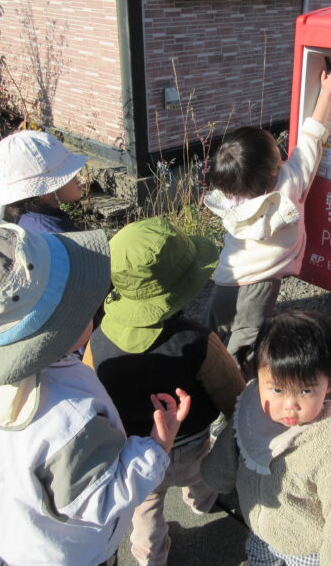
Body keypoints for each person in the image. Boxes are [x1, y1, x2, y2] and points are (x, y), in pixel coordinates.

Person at [0, 223, 190, 566]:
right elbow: (104, 498)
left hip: (22, 536)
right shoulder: (72, 420)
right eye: (84, 301)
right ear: (57, 331)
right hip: (78, 553)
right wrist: (156, 447)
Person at [83, 216, 246, 566]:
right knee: (203, 477)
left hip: (135, 453)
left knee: (145, 510)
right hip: (192, 445)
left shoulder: (97, 342)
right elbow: (232, 393)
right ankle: (202, 502)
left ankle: (150, 556)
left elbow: (89, 397)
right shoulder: (199, 340)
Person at [202, 64, 331, 371]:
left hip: (227, 277)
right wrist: (326, 94)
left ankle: (207, 375)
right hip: (261, 283)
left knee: (213, 336)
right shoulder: (289, 183)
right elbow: (312, 139)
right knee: (247, 341)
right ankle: (235, 392)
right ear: (275, 166)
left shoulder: (233, 193)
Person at [200, 309, 331, 566]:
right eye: (277, 389)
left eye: (305, 390)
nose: (289, 405)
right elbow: (235, 437)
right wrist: (217, 473)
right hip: (260, 530)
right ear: (256, 374)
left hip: (306, 549)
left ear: (329, 384)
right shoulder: (252, 400)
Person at [0, 129, 86, 231]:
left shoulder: (27, 218)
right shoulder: (59, 234)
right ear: (45, 192)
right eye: (71, 175)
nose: (78, 180)